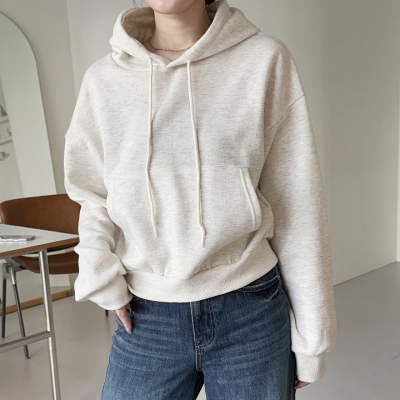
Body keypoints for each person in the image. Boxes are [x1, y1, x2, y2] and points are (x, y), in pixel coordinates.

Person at [64, 0, 337, 398]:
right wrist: (100, 276)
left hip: (250, 308)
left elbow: (296, 199)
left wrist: (313, 337)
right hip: (146, 314)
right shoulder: (104, 80)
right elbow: (93, 195)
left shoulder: (263, 60)